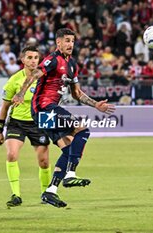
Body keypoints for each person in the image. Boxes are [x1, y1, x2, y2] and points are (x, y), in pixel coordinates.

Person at [12, 28, 115, 208]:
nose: (70, 44)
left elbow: (77, 94)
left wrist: (96, 104)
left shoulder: (72, 64)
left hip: (49, 111)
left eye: (72, 41)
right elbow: (36, 74)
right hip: (44, 108)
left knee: (68, 151)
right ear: (58, 42)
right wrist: (21, 93)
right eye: (66, 40)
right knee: (82, 130)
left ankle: (50, 191)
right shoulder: (52, 60)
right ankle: (70, 175)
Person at [0, 46, 51, 207]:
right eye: (30, 57)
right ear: (23, 60)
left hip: (38, 123)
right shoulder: (14, 80)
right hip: (17, 123)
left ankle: (46, 194)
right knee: (12, 154)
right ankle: (16, 195)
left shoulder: (44, 78)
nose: (33, 61)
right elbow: (4, 107)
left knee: (44, 162)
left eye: (35, 58)